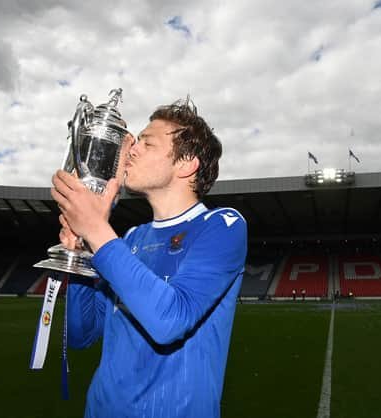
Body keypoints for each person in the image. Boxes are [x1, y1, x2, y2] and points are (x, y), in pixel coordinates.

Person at [52, 98, 247, 418]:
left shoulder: (222, 226)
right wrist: (83, 252)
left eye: (146, 142)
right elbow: (81, 334)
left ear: (186, 164)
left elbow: (170, 321)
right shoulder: (128, 240)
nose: (131, 149)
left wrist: (97, 230)